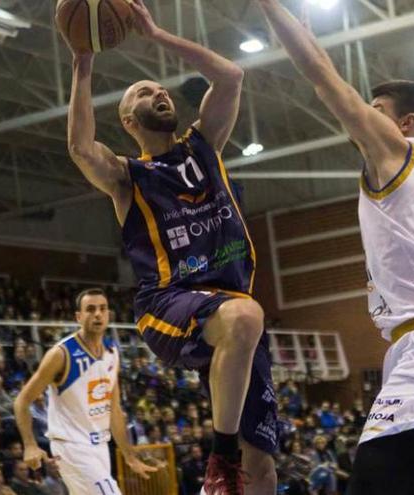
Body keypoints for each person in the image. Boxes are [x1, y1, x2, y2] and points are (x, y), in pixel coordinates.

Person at [256, 2, 414, 494]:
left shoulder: (400, 154)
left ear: (405, 124)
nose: (364, 116)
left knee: (375, 480)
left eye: (377, 110)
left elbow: (323, 78)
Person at [65, 2, 277, 493]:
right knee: (247, 316)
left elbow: (231, 76)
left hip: (229, 308)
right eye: (144, 92)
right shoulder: (127, 177)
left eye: (161, 88)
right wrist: (83, 60)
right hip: (168, 304)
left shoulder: (204, 147)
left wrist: (155, 33)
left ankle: (233, 461)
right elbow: (80, 147)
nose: (158, 91)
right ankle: (219, 458)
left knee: (262, 463)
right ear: (128, 121)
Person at [13, 289, 155, 495]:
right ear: (78, 317)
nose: (97, 314)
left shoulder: (112, 351)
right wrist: (29, 445)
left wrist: (129, 456)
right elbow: (22, 401)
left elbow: (113, 409)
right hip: (71, 446)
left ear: (108, 315)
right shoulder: (61, 354)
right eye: (90, 309)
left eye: (102, 309)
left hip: (100, 447)